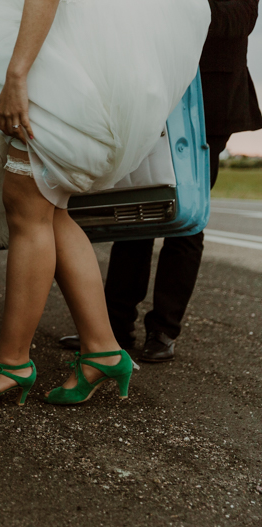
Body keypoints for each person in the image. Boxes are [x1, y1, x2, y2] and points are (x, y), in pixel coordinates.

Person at [0, 0, 210, 407]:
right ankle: (102, 349)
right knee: (50, 211)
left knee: (27, 211)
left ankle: (11, 363)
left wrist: (16, 75)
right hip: (68, 67)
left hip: (47, 71)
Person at [59, 0, 262, 363]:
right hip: (153, 101)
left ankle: (164, 329)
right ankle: (114, 327)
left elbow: (238, 20)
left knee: (187, 220)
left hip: (209, 108)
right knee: (134, 212)